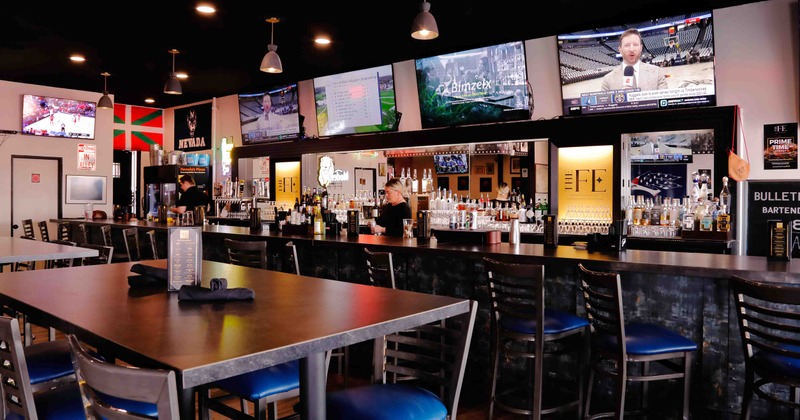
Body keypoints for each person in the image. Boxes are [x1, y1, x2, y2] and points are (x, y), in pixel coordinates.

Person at [601, 28, 668, 92]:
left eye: (635, 45)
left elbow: (665, 101)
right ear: (620, 49)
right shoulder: (607, 80)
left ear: (641, 48)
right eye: (627, 45)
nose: (631, 49)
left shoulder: (657, 73)